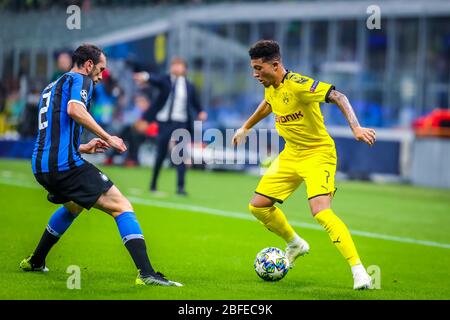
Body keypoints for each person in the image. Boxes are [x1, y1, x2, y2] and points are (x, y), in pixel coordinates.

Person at [20, 44, 182, 287]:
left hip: (41, 165)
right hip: (64, 166)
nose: (102, 74)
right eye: (101, 69)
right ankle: (146, 273)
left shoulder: (51, 86)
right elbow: (75, 110)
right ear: (88, 64)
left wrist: (84, 147)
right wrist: (108, 137)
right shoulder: (80, 80)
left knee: (73, 206)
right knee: (122, 206)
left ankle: (36, 260)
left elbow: (53, 130)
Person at [232, 40, 376, 290]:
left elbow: (338, 96)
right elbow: (268, 104)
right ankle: (295, 243)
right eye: (253, 69)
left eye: (258, 68)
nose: (255, 74)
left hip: (318, 154)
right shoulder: (271, 85)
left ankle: (359, 270)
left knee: (320, 211)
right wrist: (246, 127)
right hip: (291, 155)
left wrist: (356, 127)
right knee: (258, 207)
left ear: (275, 65)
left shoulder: (299, 84)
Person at [134, 58, 207, 195]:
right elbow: (154, 79)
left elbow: (195, 102)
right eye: (174, 65)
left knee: (180, 154)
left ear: (184, 68)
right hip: (165, 122)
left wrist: (201, 111)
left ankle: (180, 187)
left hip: (181, 123)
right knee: (161, 153)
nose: (177, 68)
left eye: (180, 65)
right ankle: (153, 183)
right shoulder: (165, 80)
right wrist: (144, 76)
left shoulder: (189, 86)